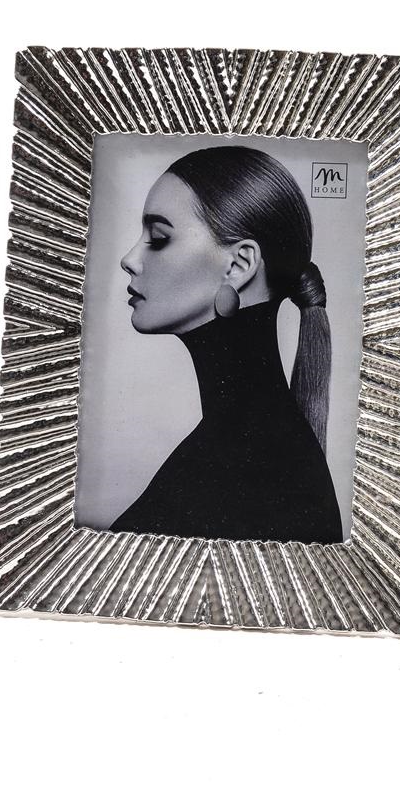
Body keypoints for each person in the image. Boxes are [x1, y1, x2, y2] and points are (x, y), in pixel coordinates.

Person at [110, 145, 343, 544]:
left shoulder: (249, 461)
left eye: (159, 238)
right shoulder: (251, 446)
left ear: (238, 266)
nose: (130, 259)